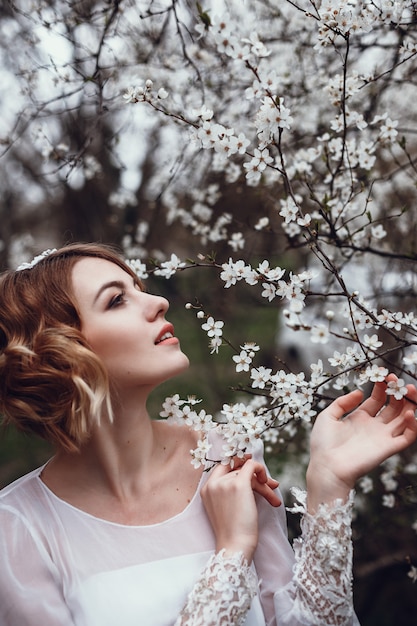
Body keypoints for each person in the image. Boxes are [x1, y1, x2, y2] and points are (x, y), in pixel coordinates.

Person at [0, 242, 416, 626]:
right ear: (59, 352)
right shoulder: (17, 531)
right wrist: (233, 554)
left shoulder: (226, 454)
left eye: (139, 287)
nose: (159, 302)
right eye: (116, 300)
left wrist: (330, 483)